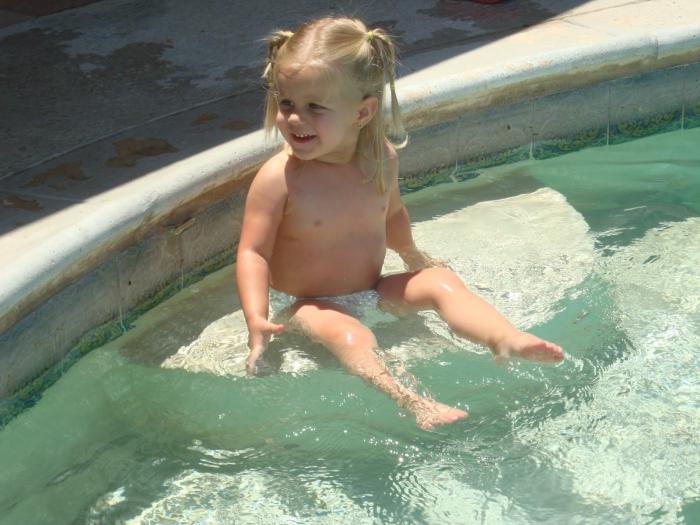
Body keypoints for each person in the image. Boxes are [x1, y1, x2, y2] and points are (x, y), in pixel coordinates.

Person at [236, 17, 563, 430]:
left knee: (441, 281)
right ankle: (412, 402)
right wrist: (257, 317)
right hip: (308, 303)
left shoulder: (381, 159)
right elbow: (253, 251)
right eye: (287, 104)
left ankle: (504, 337)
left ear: (363, 112)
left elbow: (391, 214)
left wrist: (411, 256)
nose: (295, 119)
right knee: (347, 334)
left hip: (370, 289)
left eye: (315, 107)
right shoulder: (280, 178)